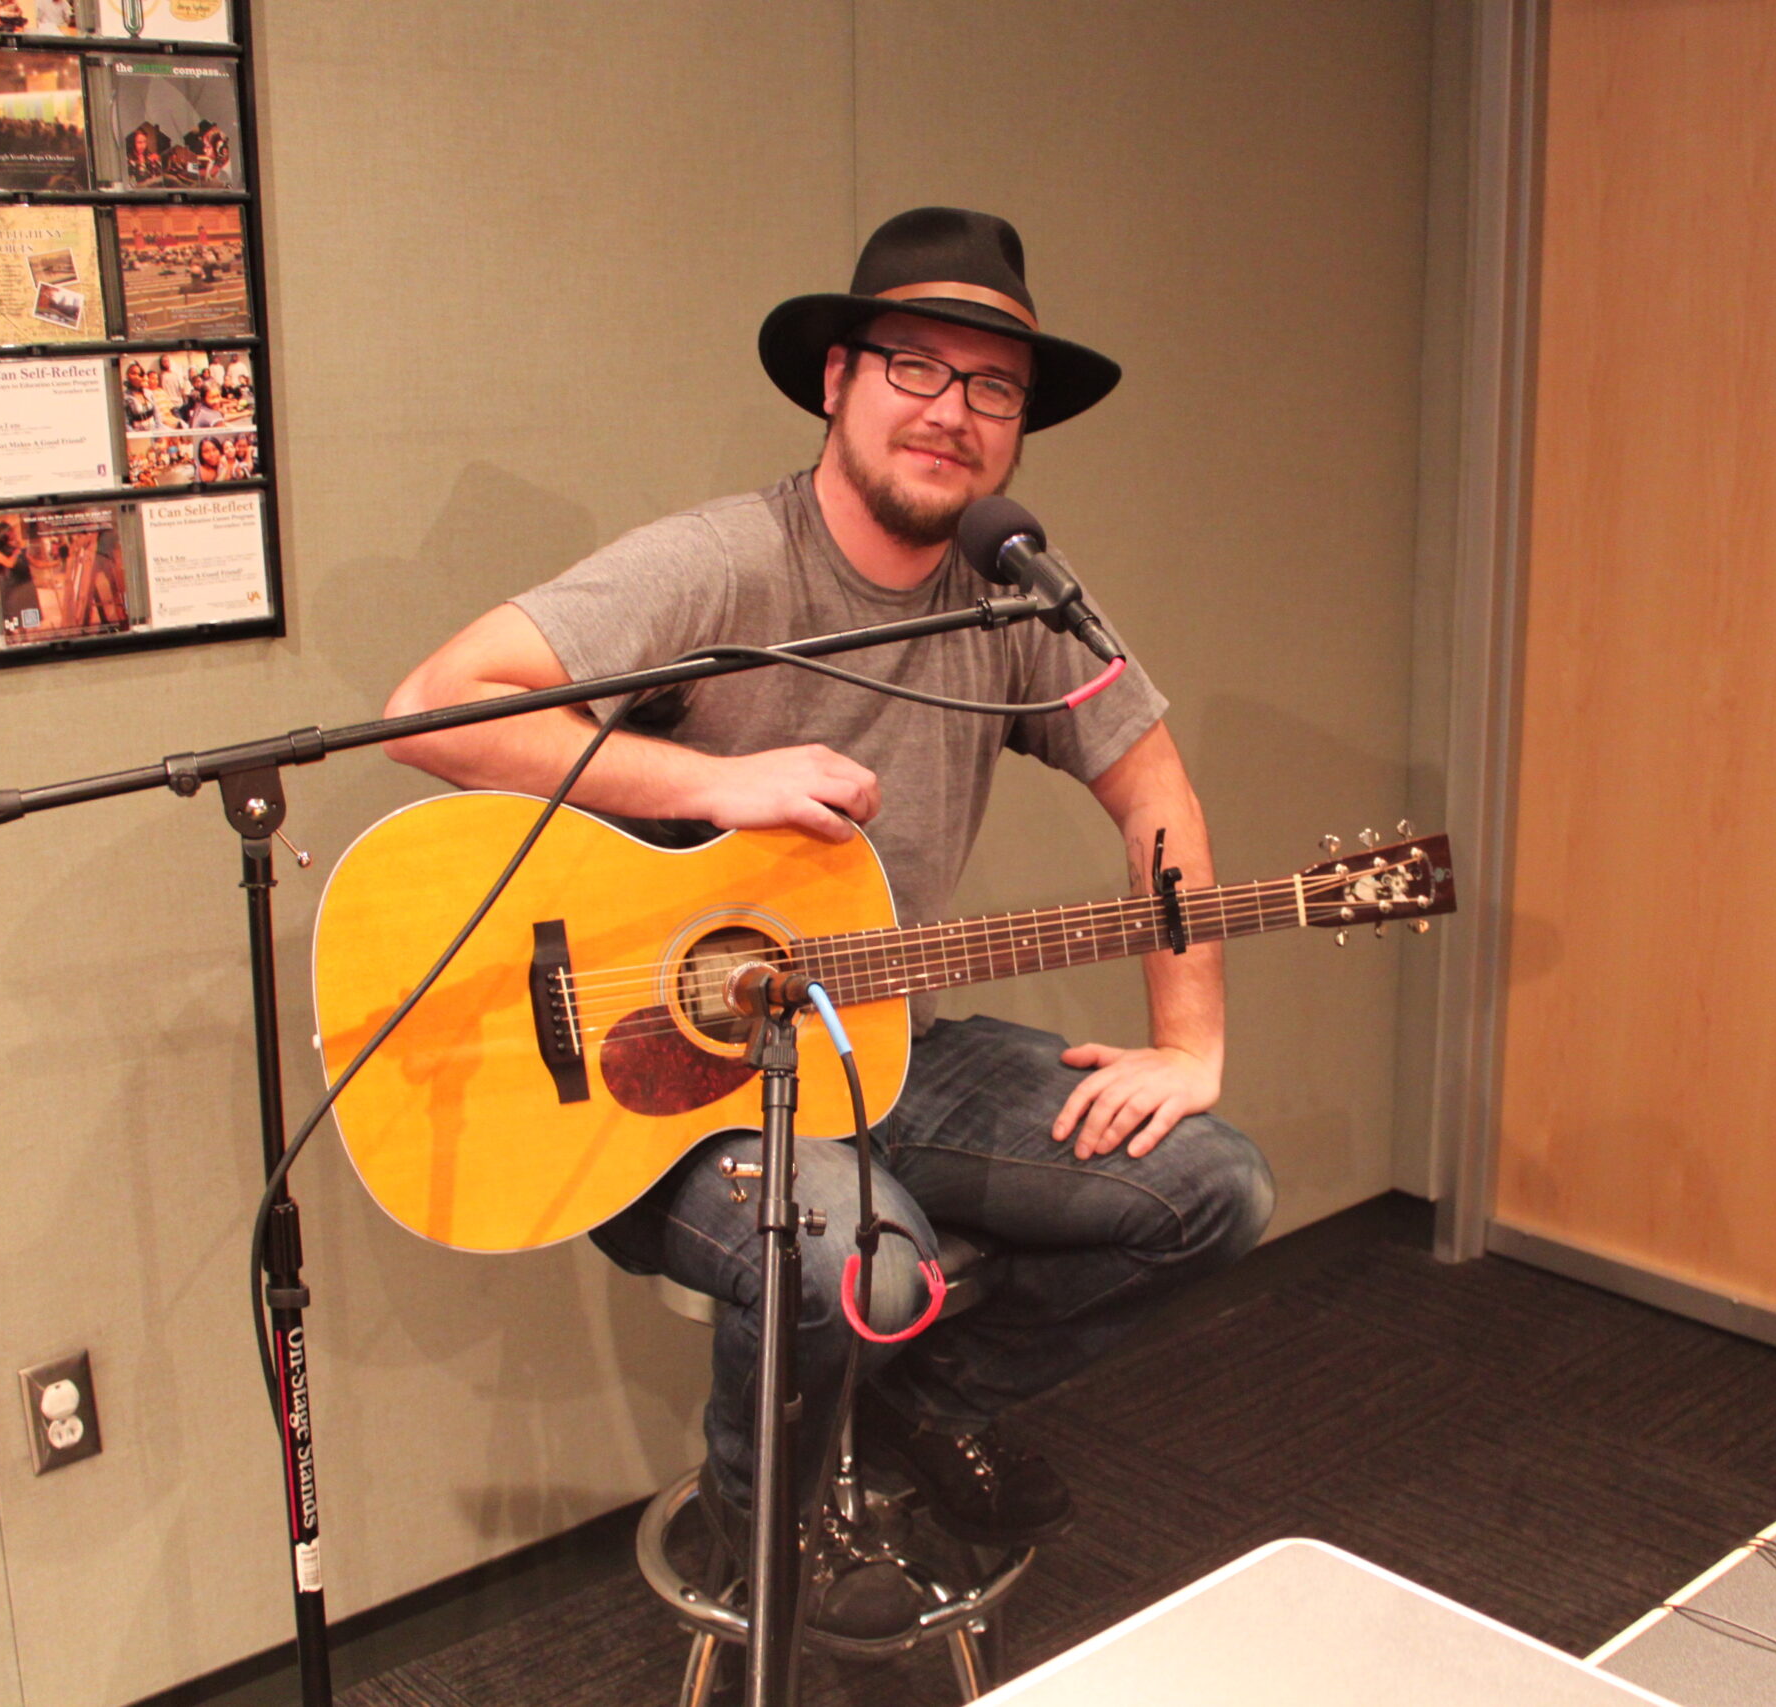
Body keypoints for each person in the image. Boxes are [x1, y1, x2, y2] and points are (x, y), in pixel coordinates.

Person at [384, 208, 1273, 1638]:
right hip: (648, 1083)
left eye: (994, 388)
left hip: (880, 1035)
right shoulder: (725, 567)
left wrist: (1191, 1039)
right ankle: (770, 1530)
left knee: (1212, 1182)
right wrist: (715, 778)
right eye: (916, 367)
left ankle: (927, 1399)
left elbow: (1154, 783)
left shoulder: (1017, 593)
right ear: (834, 382)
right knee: (866, 1257)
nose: (953, 412)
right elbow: (434, 708)